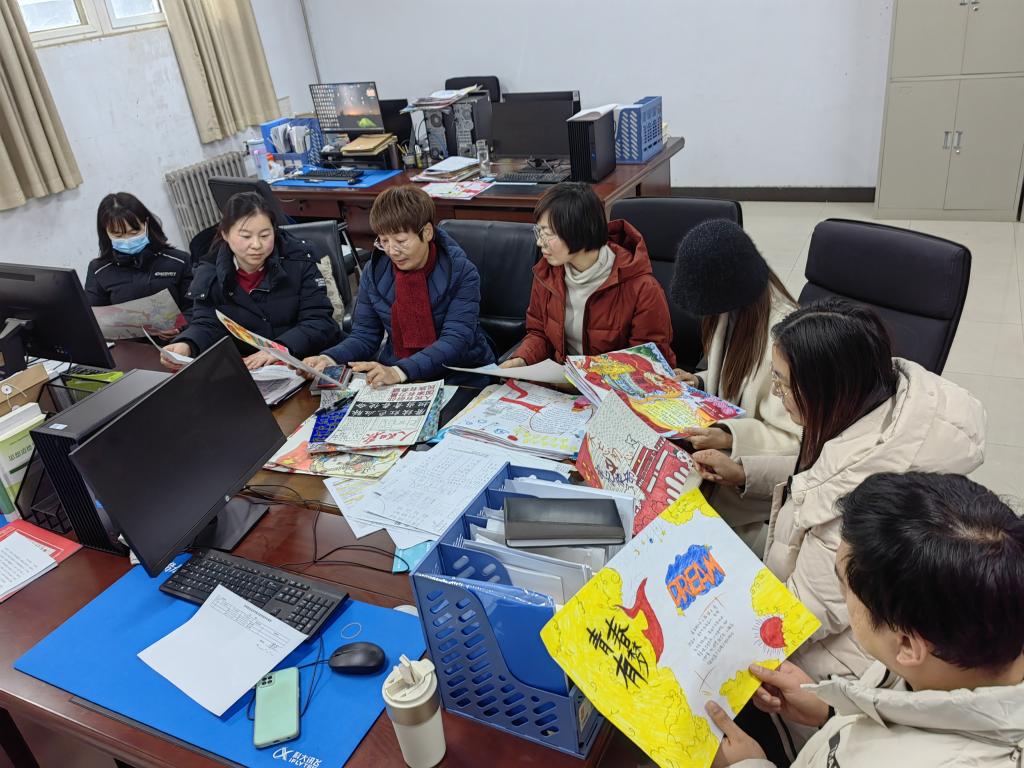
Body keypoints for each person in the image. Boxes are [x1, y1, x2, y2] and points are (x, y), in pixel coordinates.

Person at [692, 298, 986, 688]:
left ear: (824, 389)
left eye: (782, 383)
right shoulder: (875, 408)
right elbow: (822, 474)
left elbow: (795, 618)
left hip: (819, 671)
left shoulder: (863, 511)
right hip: (802, 596)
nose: (777, 394)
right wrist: (747, 471)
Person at [705, 472, 1024, 768]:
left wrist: (748, 764)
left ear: (906, 644)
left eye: (844, 587)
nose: (841, 597)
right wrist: (830, 713)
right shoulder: (948, 656)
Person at [669, 219, 802, 548]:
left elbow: (796, 441)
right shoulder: (734, 308)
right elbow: (735, 382)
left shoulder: (783, 339)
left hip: (753, 487)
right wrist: (699, 380)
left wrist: (729, 434)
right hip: (718, 459)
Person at [302, 185, 493, 386]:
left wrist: (399, 371)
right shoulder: (375, 272)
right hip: (398, 373)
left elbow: (455, 340)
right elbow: (365, 335)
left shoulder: (461, 271)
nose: (392, 251)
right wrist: (329, 358)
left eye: (401, 241)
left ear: (427, 232)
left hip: (460, 373)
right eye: (384, 241)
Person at [500, 182, 675, 369]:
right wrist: (522, 359)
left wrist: (585, 377)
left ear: (580, 232)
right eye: (539, 232)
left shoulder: (642, 288)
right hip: (562, 380)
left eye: (548, 234)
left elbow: (645, 361)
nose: (539, 243)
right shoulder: (547, 274)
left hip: (616, 383)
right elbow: (539, 333)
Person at [162, 192, 339, 369]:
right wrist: (187, 343)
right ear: (225, 234)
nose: (256, 245)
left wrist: (277, 349)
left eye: (265, 235)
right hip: (253, 368)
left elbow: (318, 320)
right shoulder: (209, 271)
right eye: (246, 236)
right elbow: (207, 323)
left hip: (308, 360)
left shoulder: (299, 261)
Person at [86, 193, 193, 338]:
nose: (127, 240)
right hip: (129, 347)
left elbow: (196, 307)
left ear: (146, 223)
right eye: (118, 235)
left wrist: (179, 327)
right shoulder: (98, 270)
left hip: (177, 342)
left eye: (134, 232)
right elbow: (94, 319)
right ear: (105, 232)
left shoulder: (179, 260)